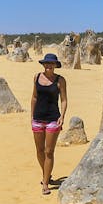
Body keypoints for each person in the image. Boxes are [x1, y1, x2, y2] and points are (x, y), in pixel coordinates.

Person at [31, 53, 67, 195]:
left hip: (53, 119)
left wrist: (62, 116)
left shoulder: (60, 80)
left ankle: (45, 183)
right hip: (38, 118)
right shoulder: (36, 77)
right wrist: (31, 116)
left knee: (49, 151)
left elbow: (64, 99)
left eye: (51, 64)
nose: (48, 66)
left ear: (55, 65)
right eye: (46, 63)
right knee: (39, 151)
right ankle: (47, 173)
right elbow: (34, 97)